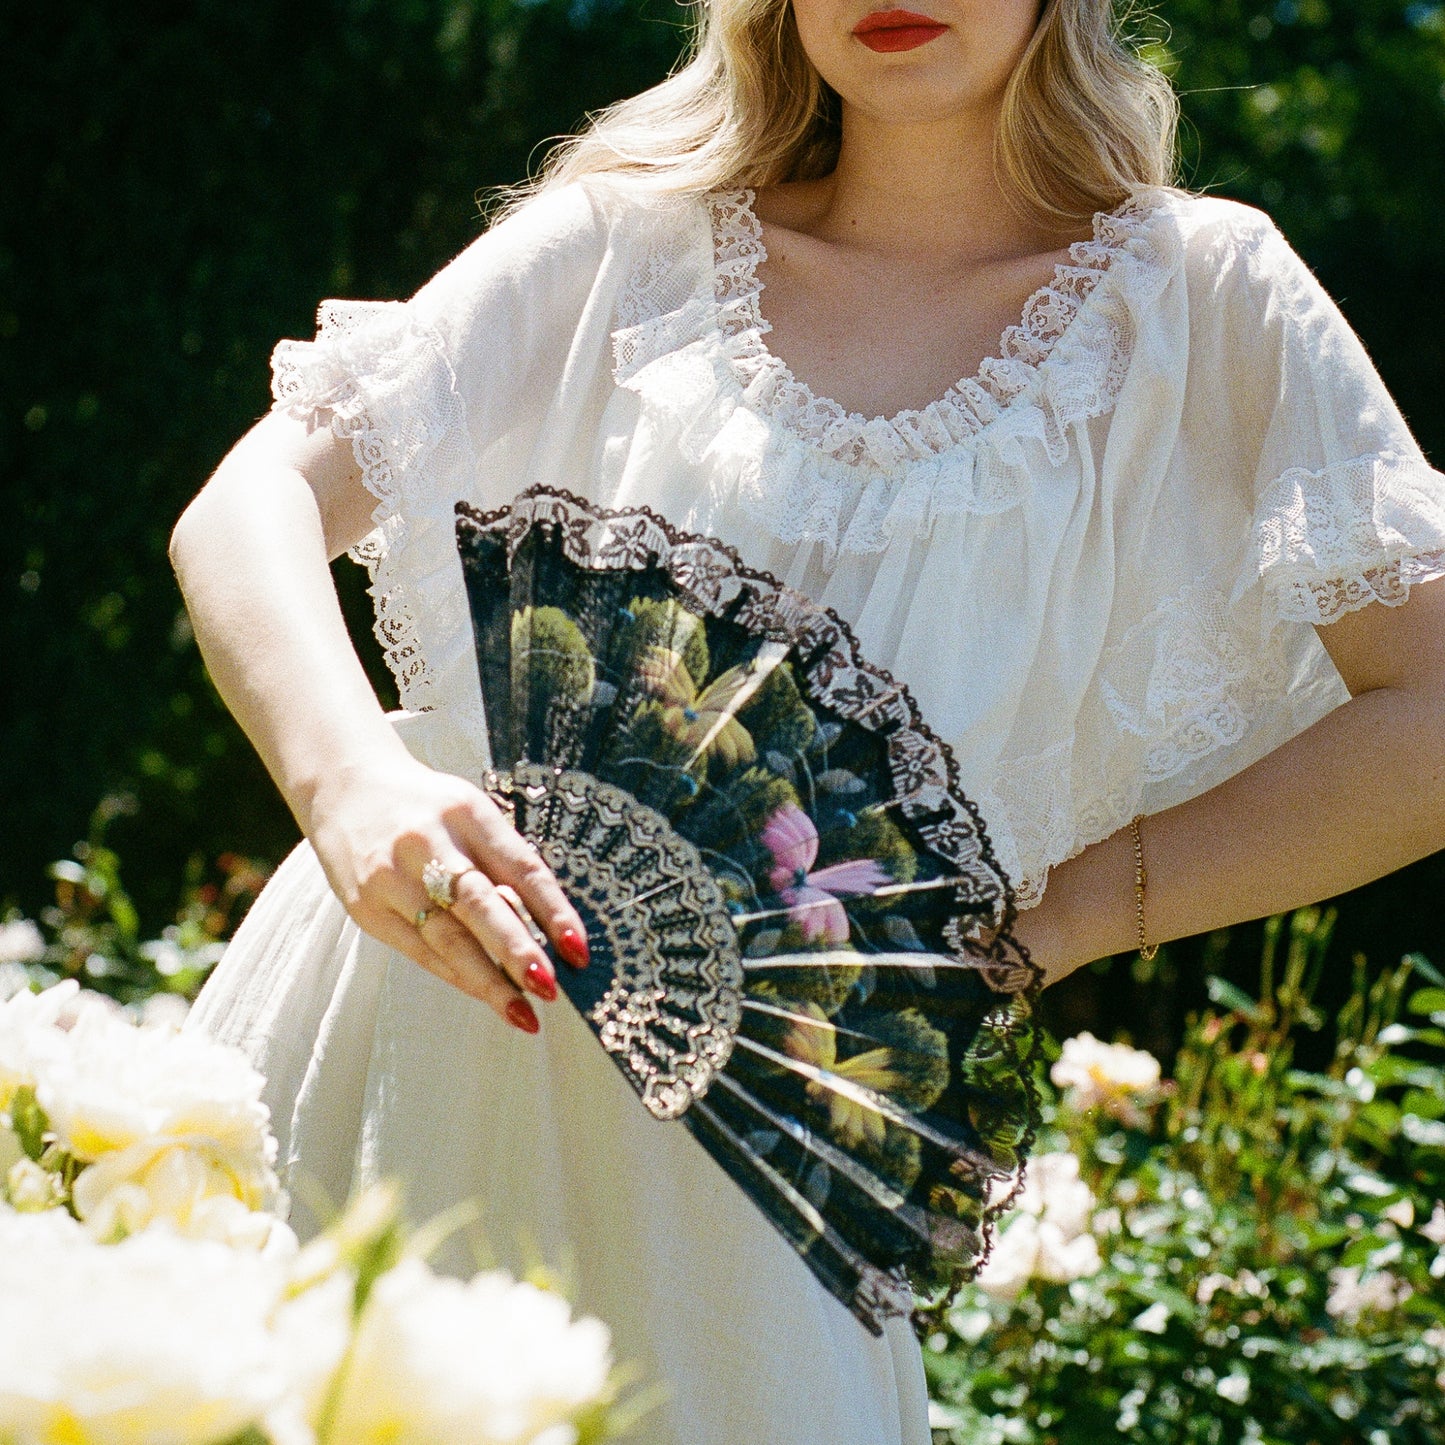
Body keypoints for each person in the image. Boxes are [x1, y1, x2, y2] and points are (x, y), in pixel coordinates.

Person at [171, 1, 1445, 1441]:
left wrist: (1060, 918)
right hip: (408, 1019)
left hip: (756, 1139)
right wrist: (350, 788)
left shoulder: (1198, 296)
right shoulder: (625, 247)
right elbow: (247, 504)